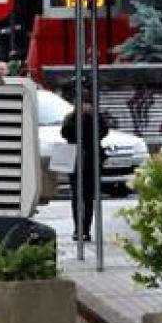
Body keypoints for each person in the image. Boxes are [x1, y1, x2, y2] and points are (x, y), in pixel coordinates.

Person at [61, 98, 109, 242]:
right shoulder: (71, 118)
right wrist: (79, 119)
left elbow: (102, 132)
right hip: (75, 159)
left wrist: (91, 117)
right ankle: (78, 228)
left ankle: (86, 229)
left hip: (92, 160)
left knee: (89, 197)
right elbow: (66, 133)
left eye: (87, 103)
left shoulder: (96, 117)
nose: (85, 106)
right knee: (76, 195)